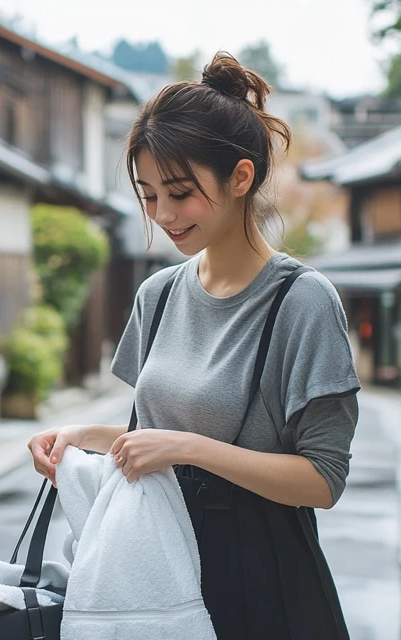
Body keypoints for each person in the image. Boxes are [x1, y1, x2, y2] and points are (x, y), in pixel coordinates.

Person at [27, 51, 359, 640]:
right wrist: (85, 437)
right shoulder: (156, 295)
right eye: (149, 195)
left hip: (261, 582)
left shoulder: (301, 302)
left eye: (179, 193)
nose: (164, 215)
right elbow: (155, 440)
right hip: (151, 568)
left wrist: (191, 448)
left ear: (240, 177)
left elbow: (322, 480)